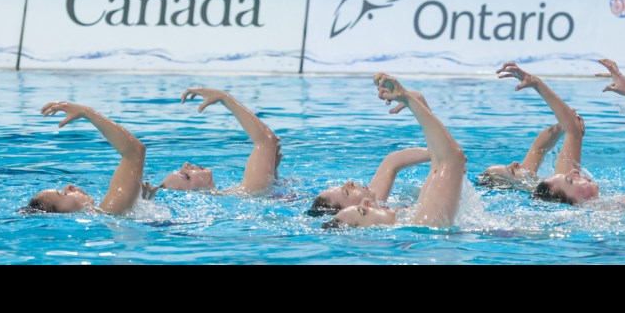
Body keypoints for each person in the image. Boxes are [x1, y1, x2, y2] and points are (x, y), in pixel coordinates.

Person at [495, 60, 625, 207]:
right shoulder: (616, 212)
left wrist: (537, 83)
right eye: (570, 181)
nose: (574, 171)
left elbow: (569, 132)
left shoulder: (559, 189)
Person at [325, 74, 467, 228]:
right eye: (363, 212)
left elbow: (438, 164)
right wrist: (407, 98)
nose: (366, 202)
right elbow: (453, 158)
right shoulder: (425, 224)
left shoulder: (416, 219)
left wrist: (415, 101)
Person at [146, 88, 281, 198]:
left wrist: (271, 174)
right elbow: (266, 140)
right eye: (186, 176)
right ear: (196, 196)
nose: (185, 165)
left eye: (180, 169)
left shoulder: (233, 195)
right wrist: (224, 98)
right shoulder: (244, 193)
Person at [23, 101, 145, 215]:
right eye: (63, 193)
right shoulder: (109, 210)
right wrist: (86, 112)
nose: (69, 186)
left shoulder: (106, 217)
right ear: (64, 213)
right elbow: (134, 152)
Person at [307, 147, 430, 215]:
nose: (349, 183)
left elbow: (391, 161)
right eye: (346, 192)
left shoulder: (374, 202)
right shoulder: (398, 221)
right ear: (351, 210)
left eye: (341, 186)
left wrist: (434, 153)